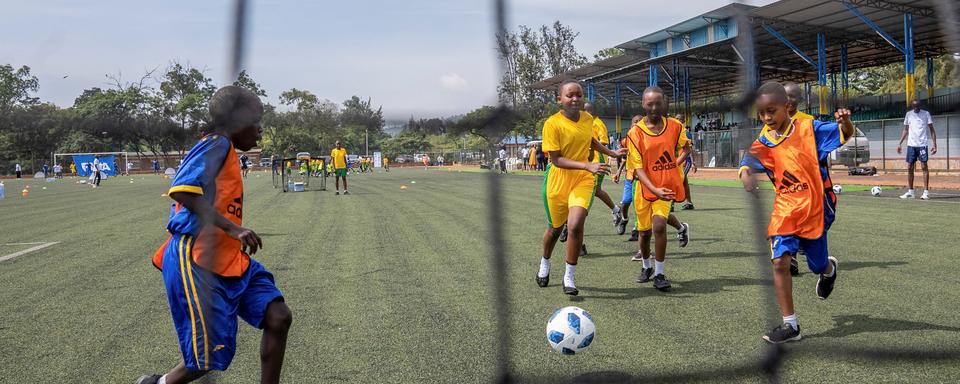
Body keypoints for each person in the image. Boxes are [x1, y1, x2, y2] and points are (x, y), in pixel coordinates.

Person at [136, 86, 292, 384]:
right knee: (209, 357)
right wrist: (234, 228)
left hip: (229, 258)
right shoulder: (216, 144)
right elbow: (182, 188)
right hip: (197, 259)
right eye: (256, 121)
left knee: (278, 316)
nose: (260, 130)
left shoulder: (227, 150)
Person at [739, 81, 852, 344]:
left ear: (787, 108)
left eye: (772, 111)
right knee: (779, 262)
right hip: (785, 209)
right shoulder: (765, 140)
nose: (767, 118)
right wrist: (745, 174)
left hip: (814, 207)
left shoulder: (810, 129)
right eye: (762, 113)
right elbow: (748, 160)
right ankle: (791, 325)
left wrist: (845, 122)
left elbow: (844, 134)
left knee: (816, 264)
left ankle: (828, 270)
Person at [536, 80, 627, 296]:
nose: (575, 99)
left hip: (583, 179)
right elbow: (556, 159)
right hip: (558, 180)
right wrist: (587, 163)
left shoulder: (587, 119)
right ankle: (545, 262)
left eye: (579, 95)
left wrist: (612, 153)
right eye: (570, 95)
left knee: (575, 225)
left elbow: (591, 140)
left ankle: (569, 276)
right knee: (555, 230)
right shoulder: (552, 124)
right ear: (560, 99)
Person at [627, 87, 691, 290]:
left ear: (664, 103)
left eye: (658, 103)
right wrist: (654, 189)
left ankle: (660, 274)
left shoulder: (675, 126)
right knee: (644, 234)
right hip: (645, 189)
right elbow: (637, 168)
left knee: (659, 226)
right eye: (649, 103)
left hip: (666, 186)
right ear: (643, 105)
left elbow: (686, 148)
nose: (654, 107)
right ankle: (646, 267)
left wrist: (675, 164)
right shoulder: (635, 133)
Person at [897, 99, 937, 200]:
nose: (916, 108)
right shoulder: (908, 114)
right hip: (911, 145)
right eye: (914, 106)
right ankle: (911, 192)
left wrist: (934, 144)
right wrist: (899, 143)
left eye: (918, 106)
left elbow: (932, 129)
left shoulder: (926, 114)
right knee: (910, 167)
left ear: (920, 106)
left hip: (922, 144)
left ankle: (926, 192)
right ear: (912, 106)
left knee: (924, 166)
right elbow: (905, 130)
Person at [612, 115, 643, 239]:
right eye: (635, 122)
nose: (637, 124)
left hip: (642, 178)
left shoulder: (647, 139)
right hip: (630, 176)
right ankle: (624, 219)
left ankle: (636, 229)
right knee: (626, 202)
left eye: (640, 122)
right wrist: (618, 172)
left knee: (638, 205)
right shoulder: (627, 139)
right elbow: (625, 157)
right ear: (631, 125)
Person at [675, 114, 698, 211]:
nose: (676, 121)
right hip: (677, 162)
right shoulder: (675, 132)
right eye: (675, 119)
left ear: (683, 121)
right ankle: (689, 203)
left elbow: (690, 149)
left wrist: (693, 163)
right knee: (684, 182)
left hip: (686, 162)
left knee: (678, 180)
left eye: (678, 119)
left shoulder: (685, 133)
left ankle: (671, 203)